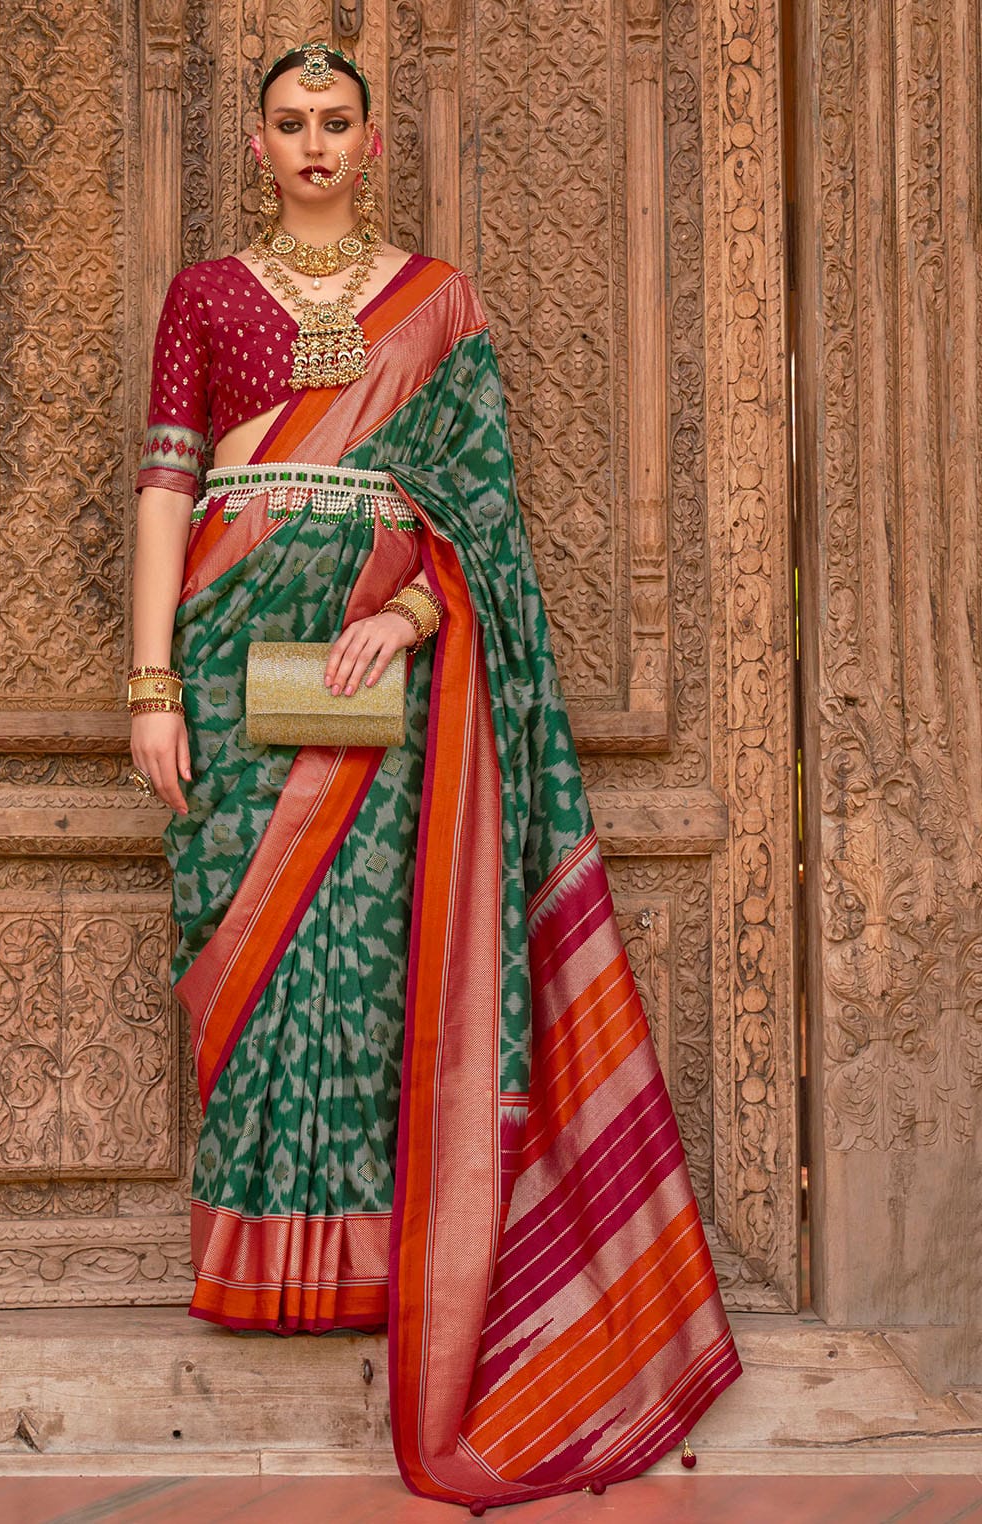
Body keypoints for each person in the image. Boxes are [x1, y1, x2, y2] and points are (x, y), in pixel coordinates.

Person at [128, 40, 740, 1510]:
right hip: (227, 650)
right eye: (292, 123)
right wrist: (150, 682)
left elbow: (482, 509)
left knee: (366, 951)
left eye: (337, 121)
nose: (316, 143)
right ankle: (262, 1258)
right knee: (248, 954)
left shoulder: (439, 302)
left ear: (374, 139)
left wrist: (409, 620)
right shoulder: (207, 296)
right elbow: (166, 484)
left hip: (376, 668)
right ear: (260, 143)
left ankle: (377, 1257)